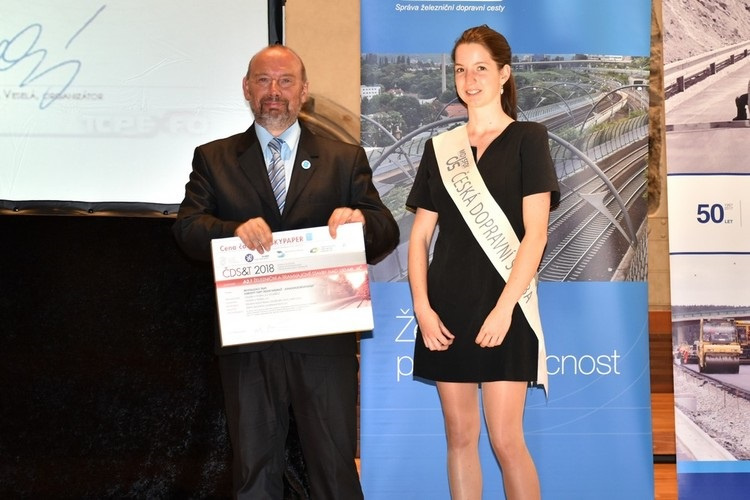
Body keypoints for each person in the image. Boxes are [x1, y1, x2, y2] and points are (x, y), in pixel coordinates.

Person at [172, 44, 399, 499]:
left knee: (334, 472)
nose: (274, 90)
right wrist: (231, 230)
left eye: (285, 80)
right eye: (263, 80)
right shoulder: (213, 158)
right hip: (249, 342)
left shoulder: (343, 157)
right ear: (246, 88)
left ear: (304, 90)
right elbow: (188, 229)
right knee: (254, 473)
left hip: (324, 341)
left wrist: (360, 221)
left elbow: (386, 229)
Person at [406, 25, 560, 500]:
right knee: (459, 437)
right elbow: (419, 238)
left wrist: (503, 310)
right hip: (446, 309)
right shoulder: (440, 149)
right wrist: (423, 309)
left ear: (503, 74)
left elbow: (536, 234)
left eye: (480, 69)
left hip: (505, 307)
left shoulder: (529, 138)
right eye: (460, 70)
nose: (469, 80)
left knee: (506, 440)